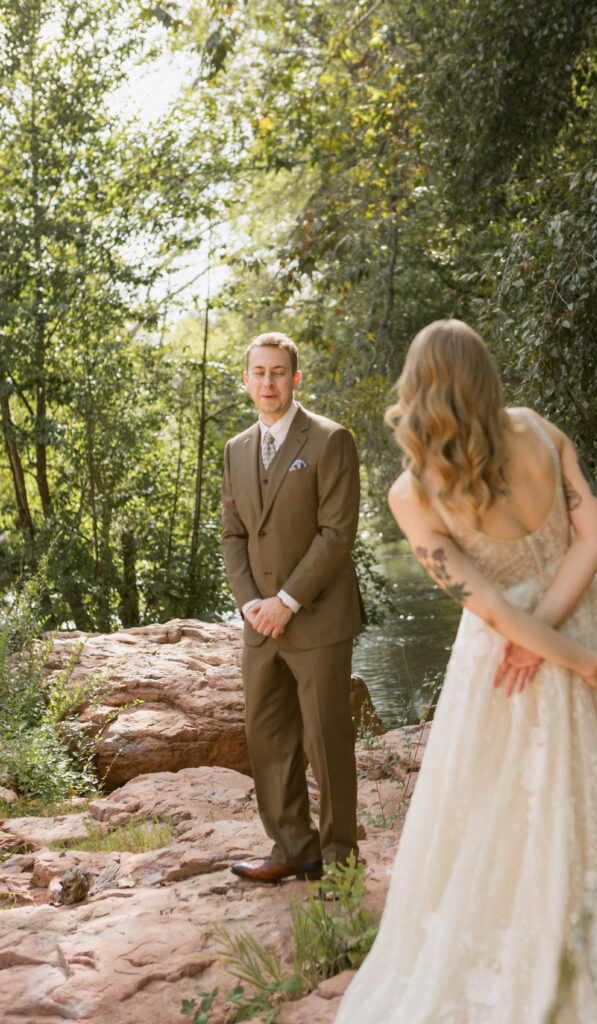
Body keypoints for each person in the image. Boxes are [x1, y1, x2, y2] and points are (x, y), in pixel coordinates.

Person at [336, 320, 597, 1023]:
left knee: (500, 811)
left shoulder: (414, 491)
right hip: (586, 614)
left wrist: (552, 648)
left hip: (509, 658)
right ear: (485, 374)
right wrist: (576, 643)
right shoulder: (535, 427)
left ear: (416, 389)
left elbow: (491, 607)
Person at [221, 331, 364, 883]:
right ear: (246, 380)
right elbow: (233, 535)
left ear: (295, 378)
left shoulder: (330, 440)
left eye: (278, 372)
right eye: (258, 372)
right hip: (260, 623)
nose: (268, 382)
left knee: (326, 741)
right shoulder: (235, 449)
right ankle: (293, 848)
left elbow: (336, 534)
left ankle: (339, 861)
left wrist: (287, 600)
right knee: (267, 735)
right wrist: (253, 603)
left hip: (318, 617)